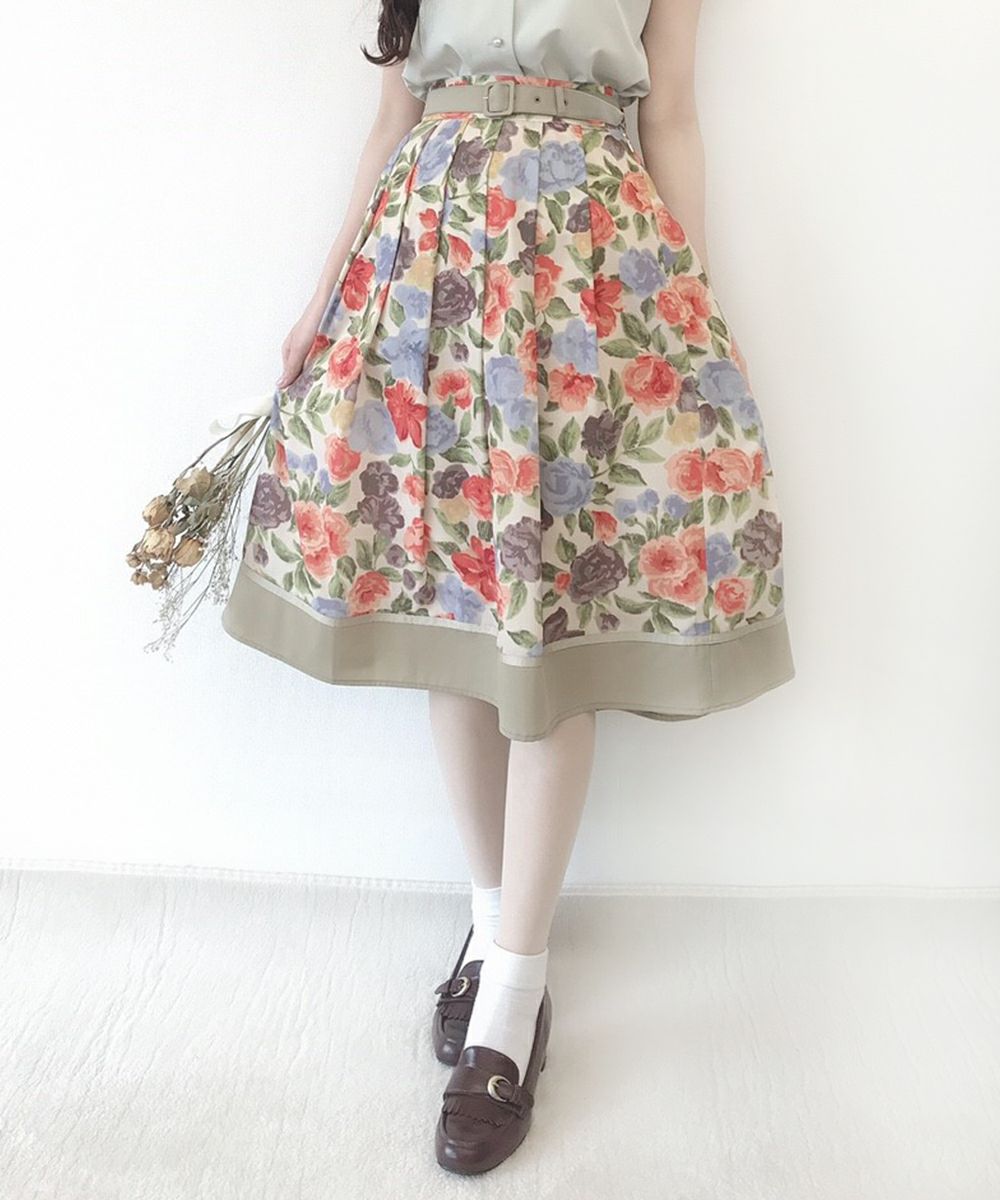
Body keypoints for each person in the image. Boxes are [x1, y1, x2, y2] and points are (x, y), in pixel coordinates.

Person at [220, 0, 795, 1174]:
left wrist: (691, 306)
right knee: (456, 613)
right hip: (427, 268)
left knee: (553, 631)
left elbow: (670, 115)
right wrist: (322, 297)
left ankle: (513, 1001)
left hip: (588, 270)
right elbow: (391, 120)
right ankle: (491, 934)